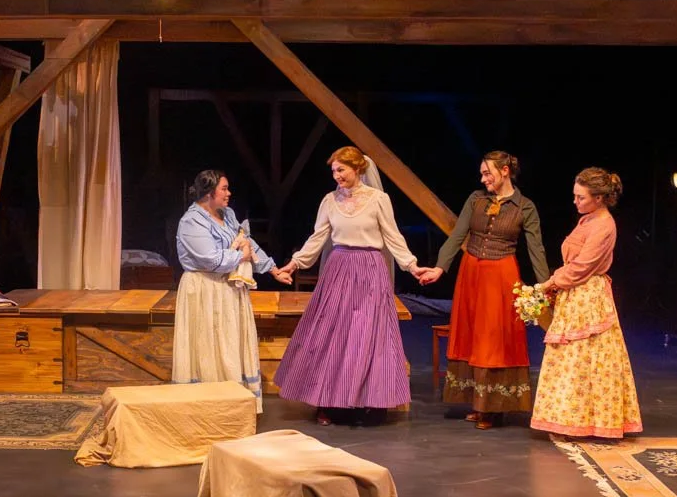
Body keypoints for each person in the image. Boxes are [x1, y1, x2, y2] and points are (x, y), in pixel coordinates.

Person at [271, 146, 432, 424]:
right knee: (332, 334)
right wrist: (295, 263)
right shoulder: (329, 201)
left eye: (341, 169)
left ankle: (368, 401)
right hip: (339, 269)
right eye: (334, 171)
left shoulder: (379, 200)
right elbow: (317, 237)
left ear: (357, 169)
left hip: (370, 270)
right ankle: (328, 403)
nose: (337, 176)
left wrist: (412, 265)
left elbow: (393, 237)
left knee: (368, 335)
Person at [419, 151, 549, 429]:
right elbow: (457, 235)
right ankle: (478, 404)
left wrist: (544, 286)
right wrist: (440, 268)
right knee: (471, 335)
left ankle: (493, 407)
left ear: (505, 171)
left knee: (494, 338)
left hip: (501, 275)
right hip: (471, 273)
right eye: (481, 173)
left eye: (487, 173)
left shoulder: (524, 206)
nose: (483, 178)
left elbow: (535, 248)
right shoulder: (476, 199)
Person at [529, 167, 643, 439]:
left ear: (600, 198)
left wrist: (549, 283)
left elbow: (583, 267)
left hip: (588, 296)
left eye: (581, 197)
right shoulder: (587, 220)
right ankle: (566, 420)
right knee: (569, 360)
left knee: (586, 359)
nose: (575, 202)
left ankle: (586, 423)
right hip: (575, 295)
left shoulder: (604, 225)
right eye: (575, 196)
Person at [174, 170, 276, 412]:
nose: (229, 194)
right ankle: (209, 407)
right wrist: (242, 255)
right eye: (224, 188)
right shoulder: (191, 222)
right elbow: (211, 259)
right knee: (208, 344)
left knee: (229, 343)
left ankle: (234, 405)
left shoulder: (227, 215)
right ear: (209, 193)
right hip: (204, 289)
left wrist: (272, 268)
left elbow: (247, 243)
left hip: (228, 289)